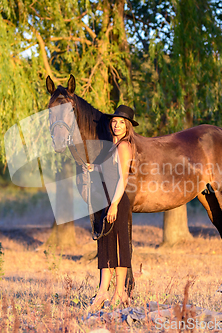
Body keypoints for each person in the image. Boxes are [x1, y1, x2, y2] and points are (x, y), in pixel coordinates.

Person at [83, 105, 138, 311]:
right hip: (104, 199)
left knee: (120, 242)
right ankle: (102, 291)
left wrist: (114, 204)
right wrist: (92, 168)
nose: (116, 125)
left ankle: (120, 291)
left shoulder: (124, 146)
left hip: (117, 200)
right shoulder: (111, 146)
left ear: (128, 126)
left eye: (121, 122)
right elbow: (106, 169)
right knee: (105, 243)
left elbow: (123, 178)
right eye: (114, 121)